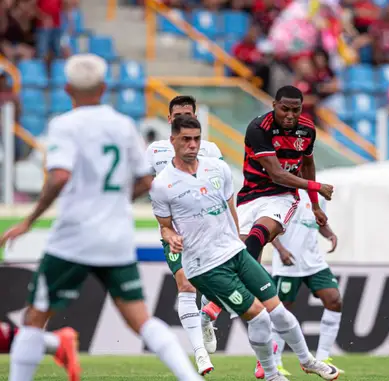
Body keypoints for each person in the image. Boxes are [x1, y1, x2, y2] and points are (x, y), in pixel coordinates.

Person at [0, 54, 203, 381]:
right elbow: (145, 179)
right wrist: (113, 200)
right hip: (116, 236)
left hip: (73, 238)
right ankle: (189, 378)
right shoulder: (123, 125)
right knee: (141, 320)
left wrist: (29, 220)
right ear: (104, 88)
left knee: (34, 320)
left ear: (67, 89)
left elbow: (59, 176)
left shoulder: (64, 125)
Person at [149, 114, 340, 381]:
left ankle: (308, 361)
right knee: (260, 318)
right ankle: (272, 375)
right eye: (185, 140)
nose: (192, 145)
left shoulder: (218, 169)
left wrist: (239, 240)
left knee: (280, 313)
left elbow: (233, 210)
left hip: (234, 252)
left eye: (196, 139)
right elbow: (165, 226)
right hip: (205, 266)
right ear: (173, 141)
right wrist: (170, 237)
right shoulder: (162, 186)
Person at [201, 85, 334, 317]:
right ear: (274, 106)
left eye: (296, 110)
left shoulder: (307, 129)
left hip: (282, 196)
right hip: (251, 196)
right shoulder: (258, 129)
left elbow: (307, 164)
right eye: (285, 109)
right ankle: (232, 299)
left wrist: (313, 205)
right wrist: (317, 187)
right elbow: (276, 173)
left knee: (259, 234)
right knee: (237, 252)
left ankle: (216, 305)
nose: (291, 115)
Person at [145, 95, 220, 375]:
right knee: (186, 287)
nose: (183, 118)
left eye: (188, 114)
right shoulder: (155, 151)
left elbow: (222, 194)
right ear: (169, 119)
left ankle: (206, 318)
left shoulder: (211, 151)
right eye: (178, 115)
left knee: (219, 290)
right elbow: (141, 182)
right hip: (174, 232)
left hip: (210, 233)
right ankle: (200, 355)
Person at [270, 189, 344, 376]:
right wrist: (281, 250)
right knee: (281, 311)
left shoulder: (317, 195)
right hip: (288, 263)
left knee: (334, 300)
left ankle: (323, 357)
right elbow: (269, 227)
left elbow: (319, 222)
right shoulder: (282, 192)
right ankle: (276, 362)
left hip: (314, 262)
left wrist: (330, 235)